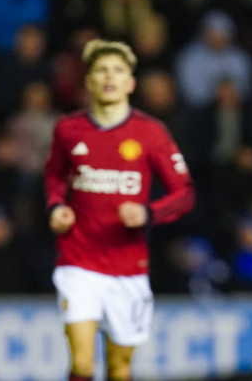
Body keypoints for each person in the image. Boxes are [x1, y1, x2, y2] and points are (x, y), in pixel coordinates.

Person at [44, 39, 195, 381]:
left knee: (119, 368)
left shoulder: (150, 133)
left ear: (130, 82)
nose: (109, 77)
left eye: (117, 70)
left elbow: (184, 193)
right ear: (89, 81)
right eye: (101, 70)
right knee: (82, 364)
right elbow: (55, 175)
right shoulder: (68, 130)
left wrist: (148, 213)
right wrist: (56, 206)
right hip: (78, 262)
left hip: (128, 269)